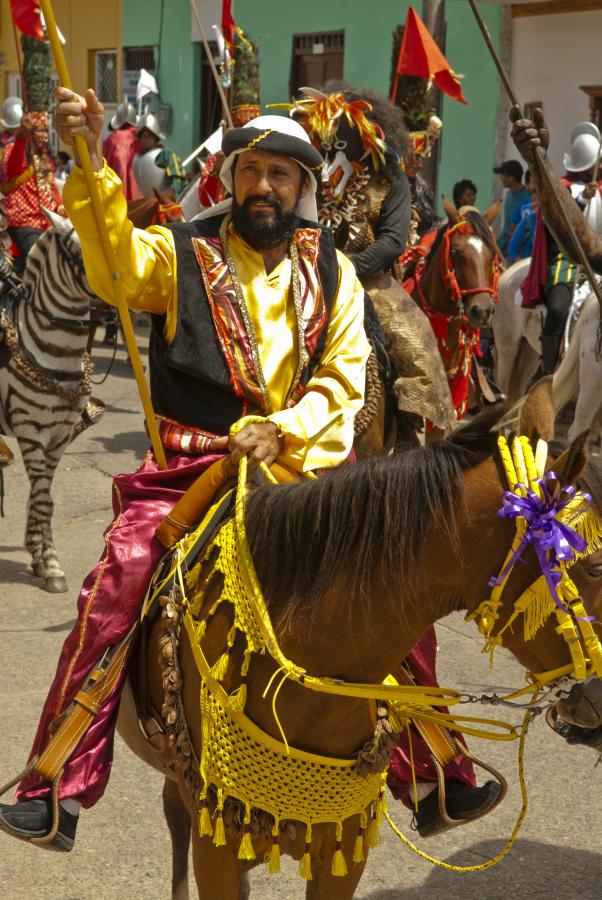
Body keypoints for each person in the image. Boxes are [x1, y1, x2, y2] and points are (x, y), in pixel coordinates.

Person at [0, 86, 371, 851]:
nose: (263, 187)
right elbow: (111, 264)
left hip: (303, 469)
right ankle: (57, 779)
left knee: (394, 572)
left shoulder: (336, 275)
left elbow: (344, 381)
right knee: (120, 577)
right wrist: (91, 158)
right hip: (189, 471)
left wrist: (284, 431)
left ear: (304, 189)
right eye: (252, 171)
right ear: (231, 177)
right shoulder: (180, 252)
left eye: (281, 175)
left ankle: (432, 765)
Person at [510, 105, 602, 274]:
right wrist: (540, 165)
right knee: (559, 301)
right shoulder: (566, 186)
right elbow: (588, 247)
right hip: (565, 264)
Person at [0, 111, 65, 265]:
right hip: (25, 222)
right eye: (39, 130)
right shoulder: (13, 148)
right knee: (42, 262)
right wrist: (22, 137)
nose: (43, 135)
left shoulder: (44, 156)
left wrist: (60, 206)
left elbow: (51, 186)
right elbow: (14, 165)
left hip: (49, 220)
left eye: (45, 130)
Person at [131, 112, 186, 198]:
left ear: (155, 137)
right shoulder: (137, 158)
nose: (145, 139)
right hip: (147, 202)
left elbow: (177, 177)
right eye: (142, 136)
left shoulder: (166, 154)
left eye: (148, 135)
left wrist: (171, 194)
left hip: (165, 203)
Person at [101, 100, 139, 201]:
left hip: (116, 199)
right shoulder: (142, 138)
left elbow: (101, 168)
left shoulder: (110, 141)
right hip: (141, 201)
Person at [493, 159, 530, 258]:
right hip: (504, 247)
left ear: (511, 178)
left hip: (517, 252)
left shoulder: (526, 197)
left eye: (503, 175)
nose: (500, 178)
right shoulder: (509, 194)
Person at [507, 180, 538, 263]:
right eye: (534, 196)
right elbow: (512, 248)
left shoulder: (552, 225)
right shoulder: (527, 221)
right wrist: (524, 266)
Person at [0, 96, 23, 161]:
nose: (18, 129)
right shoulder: (1, 137)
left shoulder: (24, 137)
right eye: (15, 128)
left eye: (18, 127)